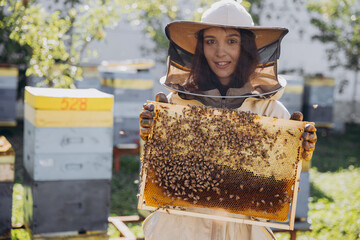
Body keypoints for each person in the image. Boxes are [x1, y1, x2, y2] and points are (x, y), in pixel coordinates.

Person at [139, 0, 317, 239]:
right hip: (180, 230)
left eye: (232, 41)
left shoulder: (272, 112)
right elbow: (156, 177)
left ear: (246, 48)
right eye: (210, 41)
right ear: (200, 48)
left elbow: (285, 181)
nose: (220, 52)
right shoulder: (174, 105)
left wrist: (301, 150)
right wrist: (150, 135)